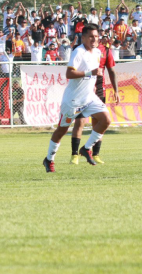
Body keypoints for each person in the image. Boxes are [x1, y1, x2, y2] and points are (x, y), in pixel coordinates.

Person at [42, 24, 112, 173]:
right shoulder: (78, 52)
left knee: (106, 120)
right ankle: (49, 159)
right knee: (62, 130)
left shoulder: (98, 52)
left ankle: (86, 149)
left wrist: (92, 84)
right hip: (73, 101)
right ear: (84, 37)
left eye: (97, 36)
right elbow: (69, 74)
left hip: (89, 98)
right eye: (91, 36)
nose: (94, 39)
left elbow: (94, 74)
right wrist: (90, 73)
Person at [69, 32, 119, 165]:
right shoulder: (81, 50)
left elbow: (112, 71)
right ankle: (75, 155)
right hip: (83, 89)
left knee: (99, 122)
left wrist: (116, 90)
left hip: (99, 88)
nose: (97, 38)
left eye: (99, 36)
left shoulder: (105, 51)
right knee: (79, 123)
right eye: (95, 35)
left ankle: (95, 153)